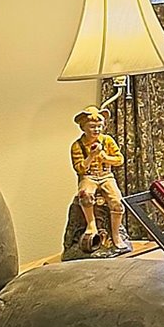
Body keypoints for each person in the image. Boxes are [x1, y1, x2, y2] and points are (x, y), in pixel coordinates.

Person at [70, 107, 131, 254]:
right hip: (89, 177)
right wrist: (91, 156)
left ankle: (115, 234)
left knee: (117, 202)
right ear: (83, 127)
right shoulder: (77, 145)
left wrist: (105, 157)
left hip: (106, 176)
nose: (96, 130)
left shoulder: (107, 141)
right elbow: (80, 168)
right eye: (92, 127)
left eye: (99, 126)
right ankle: (91, 224)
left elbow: (119, 159)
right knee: (85, 195)